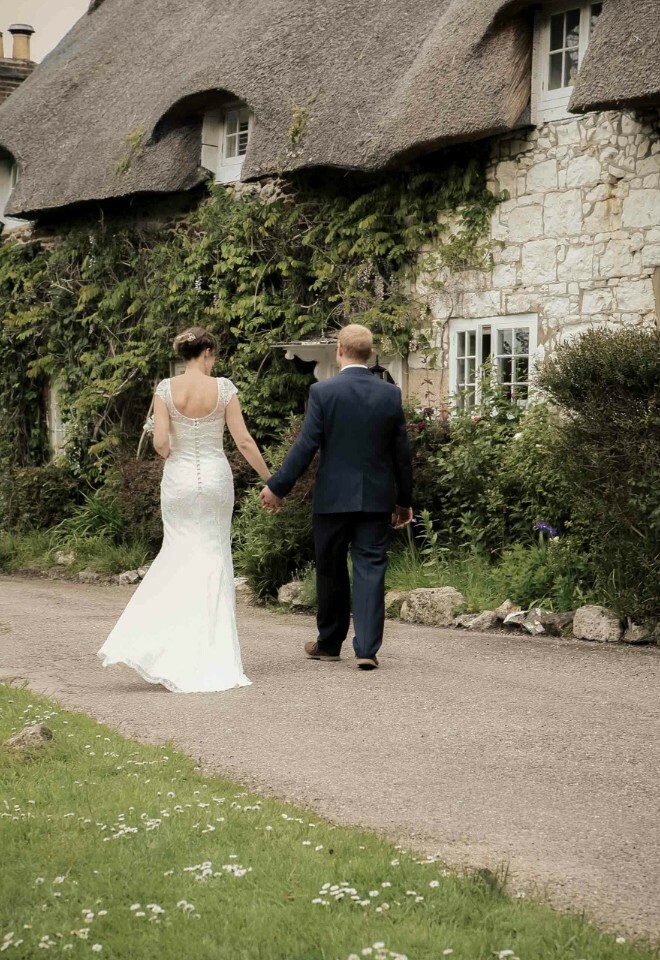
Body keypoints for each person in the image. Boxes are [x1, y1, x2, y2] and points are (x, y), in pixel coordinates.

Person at [98, 327, 271, 693]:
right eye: (215, 354)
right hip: (214, 479)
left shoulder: (165, 389)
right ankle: (212, 650)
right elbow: (242, 440)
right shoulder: (224, 389)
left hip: (178, 480)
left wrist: (174, 448)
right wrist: (270, 478)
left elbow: (160, 443)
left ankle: (164, 645)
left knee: (176, 555)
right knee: (214, 557)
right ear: (208, 351)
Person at [261, 324, 413, 670]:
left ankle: (329, 644)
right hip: (375, 499)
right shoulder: (390, 395)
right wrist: (403, 501)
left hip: (332, 500)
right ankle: (367, 649)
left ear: (339, 350)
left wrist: (277, 486)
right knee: (371, 569)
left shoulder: (323, 392)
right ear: (371, 353)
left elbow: (306, 445)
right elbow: (401, 455)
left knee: (330, 569)